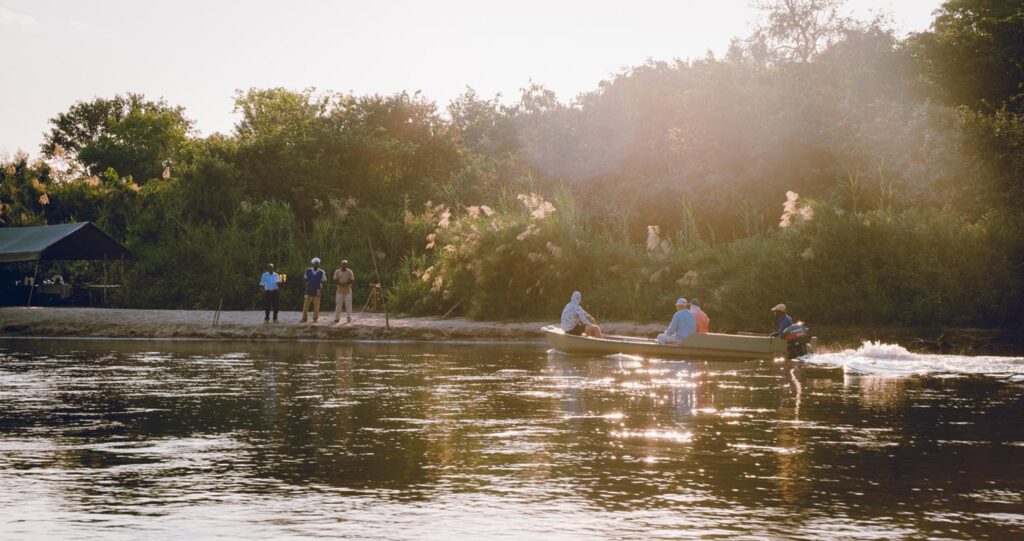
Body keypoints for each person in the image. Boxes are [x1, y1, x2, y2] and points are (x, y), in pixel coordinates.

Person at [302, 257, 328, 323]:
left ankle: (315, 318)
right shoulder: (307, 270)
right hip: (309, 289)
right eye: (315, 263)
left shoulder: (322, 272)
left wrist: (321, 288)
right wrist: (306, 286)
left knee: (316, 305)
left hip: (317, 290)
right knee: (306, 305)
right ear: (312, 264)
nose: (317, 265)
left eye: (318, 264)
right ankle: (304, 318)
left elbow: (323, 281)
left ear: (319, 264)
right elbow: (305, 279)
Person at [333, 260, 355, 324]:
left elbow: (352, 280)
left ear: (347, 265)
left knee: (348, 305)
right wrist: (340, 283)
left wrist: (345, 283)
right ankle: (337, 318)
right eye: (343, 264)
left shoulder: (350, 272)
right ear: (341, 264)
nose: (344, 265)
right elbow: (335, 279)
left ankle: (349, 317)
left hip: (348, 291)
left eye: (345, 264)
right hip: (339, 291)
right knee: (338, 305)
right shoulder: (337, 271)